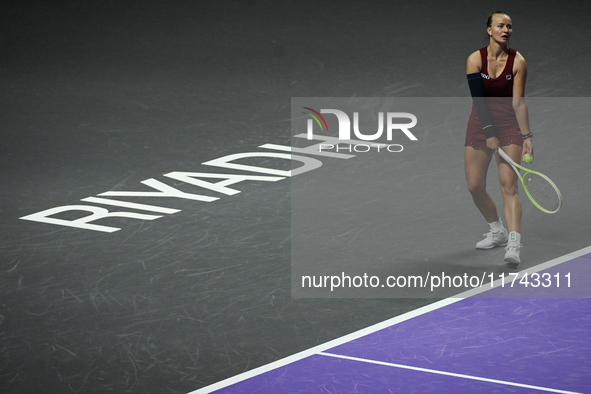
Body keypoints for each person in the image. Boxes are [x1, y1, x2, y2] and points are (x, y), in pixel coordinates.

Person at [464, 11, 534, 266]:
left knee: (509, 186)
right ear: (489, 30)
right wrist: (489, 134)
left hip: (508, 127)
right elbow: (478, 101)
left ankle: (514, 242)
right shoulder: (475, 59)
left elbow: (518, 102)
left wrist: (526, 136)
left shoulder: (518, 62)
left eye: (510, 26)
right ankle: (497, 230)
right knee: (475, 186)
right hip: (480, 125)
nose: (506, 30)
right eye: (501, 26)